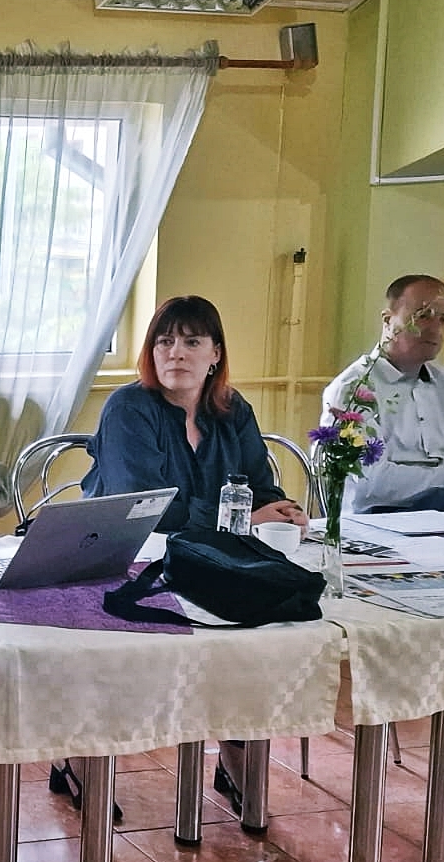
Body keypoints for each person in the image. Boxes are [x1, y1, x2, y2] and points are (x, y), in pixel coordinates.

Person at [79, 295, 308, 816]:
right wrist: (244, 517)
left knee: (260, 625)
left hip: (206, 559)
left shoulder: (233, 409)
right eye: (164, 341)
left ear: (215, 353)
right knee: (124, 646)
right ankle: (79, 756)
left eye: (191, 341)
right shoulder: (129, 408)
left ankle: (236, 750)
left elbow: (260, 484)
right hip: (124, 562)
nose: (175, 353)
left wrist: (282, 509)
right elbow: (150, 510)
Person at [322, 274, 444, 514]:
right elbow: (371, 482)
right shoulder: (354, 388)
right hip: (378, 518)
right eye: (423, 316)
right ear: (388, 320)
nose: (435, 329)